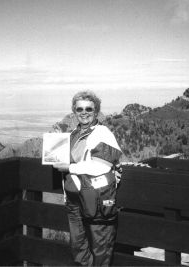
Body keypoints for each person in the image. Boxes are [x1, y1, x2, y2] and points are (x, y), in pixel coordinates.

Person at [53, 90, 122, 266]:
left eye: (89, 109)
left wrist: (70, 167)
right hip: (75, 201)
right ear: (74, 111)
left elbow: (101, 165)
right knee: (79, 249)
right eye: (79, 109)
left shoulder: (103, 133)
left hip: (95, 200)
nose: (84, 112)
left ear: (96, 111)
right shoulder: (75, 134)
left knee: (101, 249)